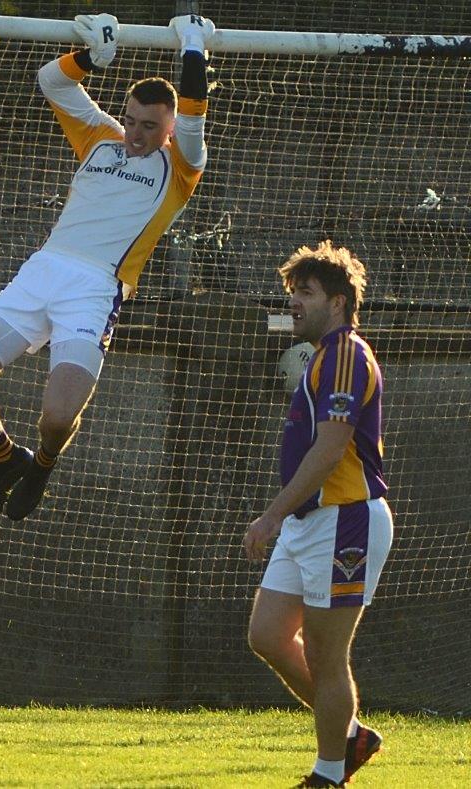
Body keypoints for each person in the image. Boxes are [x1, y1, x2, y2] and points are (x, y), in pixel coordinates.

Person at [0, 13, 214, 521]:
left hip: (95, 289)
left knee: (58, 417)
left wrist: (193, 43)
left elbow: (194, 117)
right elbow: (51, 81)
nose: (134, 133)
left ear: (168, 128)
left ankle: (41, 463)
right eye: (130, 119)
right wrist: (91, 57)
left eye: (149, 126)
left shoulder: (181, 168)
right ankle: (6, 457)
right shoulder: (100, 137)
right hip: (42, 271)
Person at [243, 242, 390, 788]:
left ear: (339, 301)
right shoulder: (321, 356)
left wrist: (271, 516)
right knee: (268, 635)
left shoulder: (347, 354)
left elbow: (330, 451)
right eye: (293, 293)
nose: (295, 304)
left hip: (345, 519)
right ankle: (350, 733)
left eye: (305, 293)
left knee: (329, 657)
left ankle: (329, 774)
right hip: (311, 521)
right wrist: (286, 517)